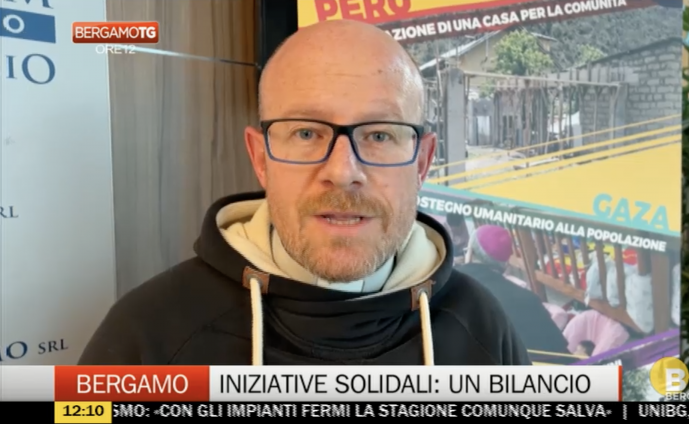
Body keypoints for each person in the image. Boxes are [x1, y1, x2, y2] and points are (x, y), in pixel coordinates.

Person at [79, 20, 530, 366]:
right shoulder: (147, 336)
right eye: (306, 133)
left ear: (422, 163)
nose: (343, 172)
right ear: (260, 159)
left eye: (379, 134)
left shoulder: (484, 330)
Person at [457, 225, 570, 354]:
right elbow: (558, 354)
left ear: (470, 252)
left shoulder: (444, 283)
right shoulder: (527, 300)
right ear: (505, 264)